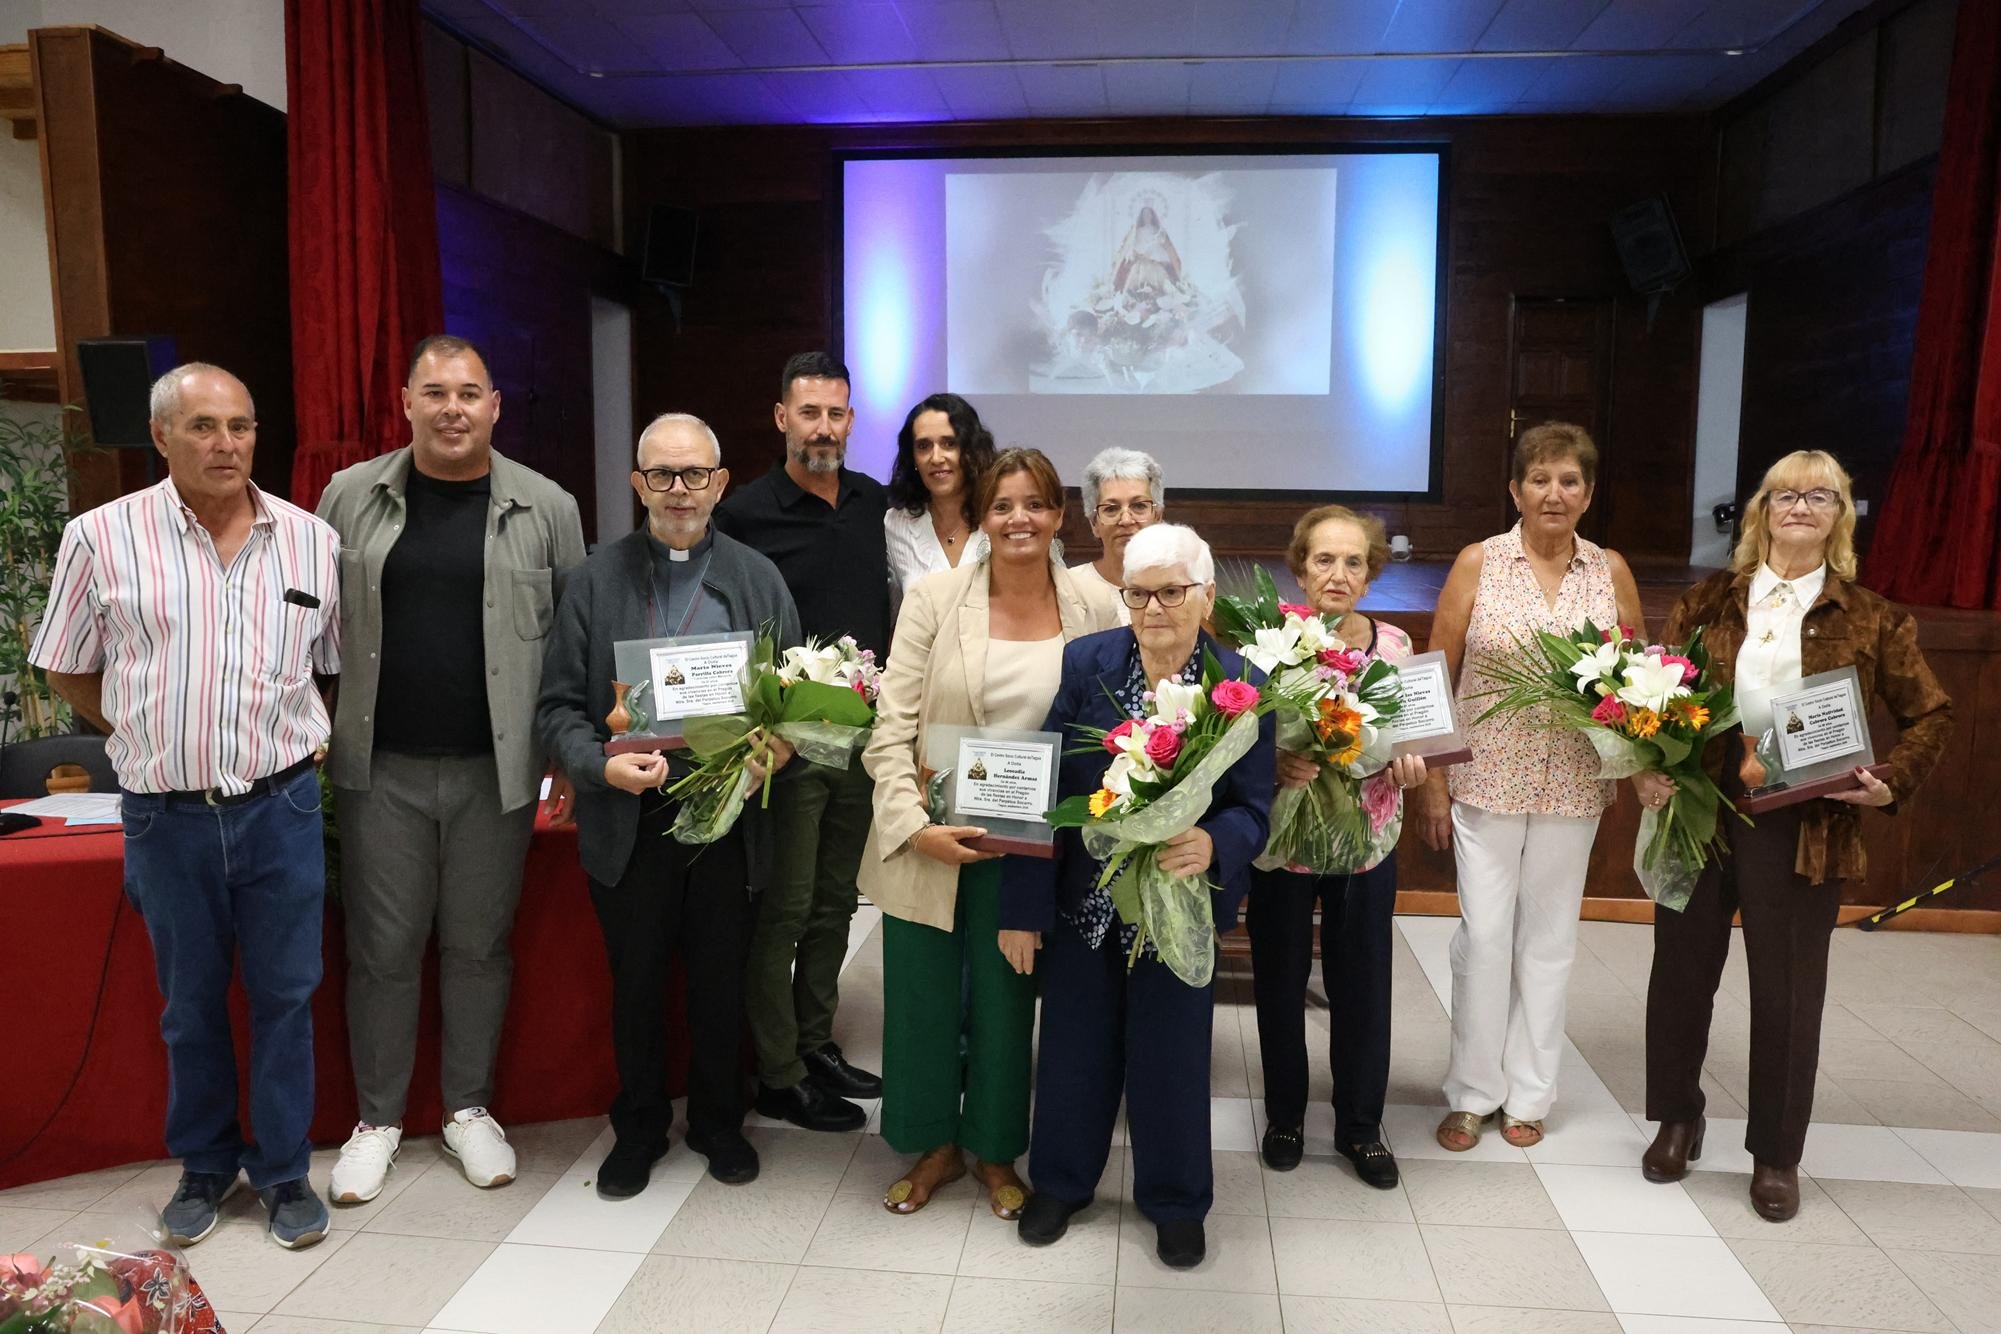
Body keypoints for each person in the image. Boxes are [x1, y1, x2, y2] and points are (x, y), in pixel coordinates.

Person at [32, 363, 340, 1249]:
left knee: (286, 996)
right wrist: (140, 727)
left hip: (280, 808)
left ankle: (283, 1171)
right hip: (166, 816)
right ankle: (205, 1164)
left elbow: (327, 664)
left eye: (240, 425)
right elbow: (64, 666)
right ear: (162, 435)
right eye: (203, 426)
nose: (225, 443)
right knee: (190, 1004)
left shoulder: (311, 541)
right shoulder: (101, 537)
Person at [1636, 451, 1949, 1221]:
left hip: (1807, 824)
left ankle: (1775, 1155)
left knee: (1785, 993)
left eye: (1820, 495)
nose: (1800, 506)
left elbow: (1930, 713)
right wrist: (1647, 766)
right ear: (1761, 510)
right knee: (1680, 975)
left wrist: (1890, 784)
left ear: (1839, 515)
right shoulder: (1707, 600)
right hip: (1702, 806)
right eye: (1785, 494)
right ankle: (1676, 1119)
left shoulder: (1874, 616)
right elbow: (1653, 695)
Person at [316, 335, 586, 1205]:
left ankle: (468, 1109)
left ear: (494, 406)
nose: (452, 409)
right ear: (406, 403)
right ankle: (378, 1121)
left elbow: (573, 644)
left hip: (494, 772)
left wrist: (568, 756)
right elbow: (311, 629)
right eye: (434, 393)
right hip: (379, 769)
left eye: (469, 393)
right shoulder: (349, 496)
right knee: (382, 951)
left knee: (477, 946)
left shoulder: (546, 506)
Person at [537, 413, 800, 1198]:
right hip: (630, 819)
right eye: (661, 474)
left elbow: (793, 703)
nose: (678, 490)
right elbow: (557, 707)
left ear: (720, 484)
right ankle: (640, 1127)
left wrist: (776, 748)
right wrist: (598, 767)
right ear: (637, 484)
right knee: (637, 984)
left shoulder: (758, 578)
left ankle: (719, 1123)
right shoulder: (592, 582)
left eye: (693, 475)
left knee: (721, 982)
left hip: (729, 817)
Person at [858, 448, 1122, 1220]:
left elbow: (1110, 725)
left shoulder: (1094, 604)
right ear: (980, 517)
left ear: (1059, 515)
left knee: (1008, 1003)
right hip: (934, 835)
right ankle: (931, 1145)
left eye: (1034, 504)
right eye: (1001, 506)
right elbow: (890, 728)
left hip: (1033, 848)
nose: (1018, 519)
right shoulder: (934, 599)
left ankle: (996, 1149)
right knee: (923, 999)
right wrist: (913, 828)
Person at [1002, 523, 1275, 1270]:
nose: (1153, 609)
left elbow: (1254, 806)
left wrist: (1215, 841)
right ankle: (1060, 1184)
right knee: (1072, 1050)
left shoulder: (1241, 684)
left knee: (1172, 1057)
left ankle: (1176, 1201)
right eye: (1137, 593)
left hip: (1178, 904)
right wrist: (1022, 909)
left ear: (1206, 596)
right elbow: (1043, 786)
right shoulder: (1086, 662)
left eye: (1171, 592)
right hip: (1087, 904)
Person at [1417, 422, 1645, 1153]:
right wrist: (1432, 785)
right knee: (1485, 939)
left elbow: (1639, 680)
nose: (1554, 493)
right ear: (1515, 491)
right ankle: (1472, 1093)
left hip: (1573, 784)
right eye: (1540, 479)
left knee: (1549, 943)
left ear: (1588, 493)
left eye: (1569, 480)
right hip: (1484, 778)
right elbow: (1436, 674)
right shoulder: (1478, 562)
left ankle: (1529, 1095)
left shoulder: (1608, 570)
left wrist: (1642, 764)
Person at [713, 351, 888, 1132]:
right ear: (781, 417)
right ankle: (777, 1072)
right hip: (786, 745)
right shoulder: (744, 513)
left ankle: (815, 1044)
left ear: (850, 421)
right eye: (809, 412)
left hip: (859, 738)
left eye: (836, 413)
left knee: (834, 903)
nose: (823, 427)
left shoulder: (874, 504)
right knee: (783, 907)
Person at [1249, 505, 1426, 1189]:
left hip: (1365, 843)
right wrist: (1271, 763)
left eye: (1354, 562)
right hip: (1285, 842)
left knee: (1362, 985)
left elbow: (1417, 738)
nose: (1338, 574)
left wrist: (1411, 762)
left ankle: (1359, 1126)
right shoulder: (1268, 645)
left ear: (1370, 574)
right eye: (1324, 559)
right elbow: (1234, 739)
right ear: (1300, 568)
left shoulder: (1395, 647)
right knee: (1280, 980)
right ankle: (1285, 1117)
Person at [883, 392, 995, 594]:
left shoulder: (1001, 519)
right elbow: (897, 609)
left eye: (949, 443)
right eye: (924, 446)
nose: (936, 458)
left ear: (971, 451)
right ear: (913, 458)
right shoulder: (895, 525)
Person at [1068, 447, 1165, 620]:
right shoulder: (1069, 587)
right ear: (1094, 523)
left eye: (1139, 506)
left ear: (1157, 517)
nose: (1126, 520)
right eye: (1111, 509)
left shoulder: (1181, 588)